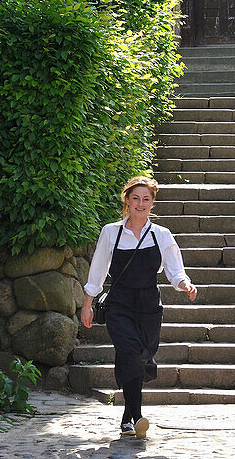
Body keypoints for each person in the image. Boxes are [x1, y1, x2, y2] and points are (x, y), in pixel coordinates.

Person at [80, 175, 197, 439]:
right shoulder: (111, 231)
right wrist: (88, 303)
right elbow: (98, 270)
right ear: (127, 201)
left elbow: (175, 270)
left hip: (148, 306)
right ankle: (138, 417)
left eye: (146, 199)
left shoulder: (161, 234)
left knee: (140, 360)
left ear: (152, 202)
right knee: (130, 354)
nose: (140, 204)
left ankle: (127, 419)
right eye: (135, 198)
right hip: (119, 304)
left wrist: (185, 284)